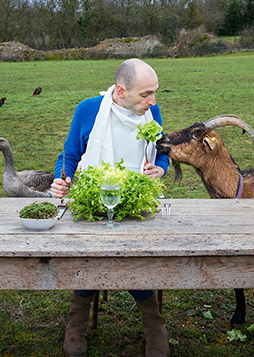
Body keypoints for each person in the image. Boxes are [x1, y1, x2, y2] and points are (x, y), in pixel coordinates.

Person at [52, 58, 170, 357]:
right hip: (94, 201)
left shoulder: (151, 112)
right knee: (90, 255)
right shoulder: (89, 110)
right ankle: (76, 322)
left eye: (154, 93)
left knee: (138, 256)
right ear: (120, 91)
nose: (153, 101)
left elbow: (162, 152)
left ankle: (153, 324)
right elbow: (68, 155)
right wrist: (60, 180)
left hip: (137, 202)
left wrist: (161, 169)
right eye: (145, 94)